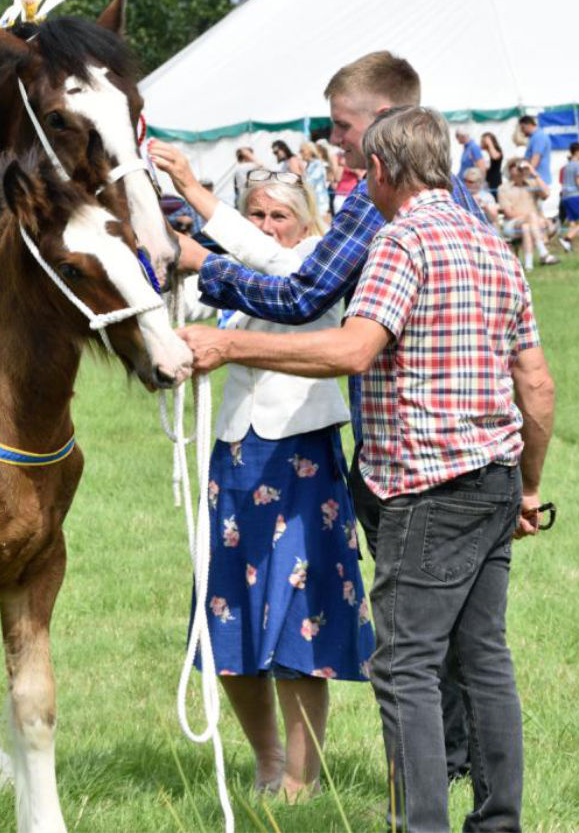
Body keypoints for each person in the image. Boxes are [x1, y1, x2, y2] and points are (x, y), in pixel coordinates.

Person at [176, 106, 555, 832]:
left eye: (361, 171)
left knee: (406, 666)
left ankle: (421, 825)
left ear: (380, 171)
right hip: (496, 478)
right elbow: (534, 382)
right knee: (484, 660)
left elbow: (353, 349)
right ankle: (499, 821)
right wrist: (530, 484)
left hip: (423, 486)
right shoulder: (494, 246)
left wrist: (230, 348)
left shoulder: (398, 241)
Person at [150, 50, 488, 785]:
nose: (335, 141)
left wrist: (200, 260)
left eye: (341, 126)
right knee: (460, 634)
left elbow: (302, 286)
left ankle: (434, 776)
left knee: (413, 635)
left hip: (409, 450)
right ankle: (458, 770)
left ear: (382, 122)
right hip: (459, 449)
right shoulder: (463, 208)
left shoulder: (377, 202)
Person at [161, 164, 375, 801]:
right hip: (234, 455)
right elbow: (180, 305)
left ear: (307, 223)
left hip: (303, 455)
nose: (265, 226)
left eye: (279, 215)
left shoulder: (314, 262)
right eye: (255, 215)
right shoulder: (237, 277)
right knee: (224, 615)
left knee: (300, 623)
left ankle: (301, 783)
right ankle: (267, 759)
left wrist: (196, 200)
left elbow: (273, 273)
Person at [499, 158, 558, 270]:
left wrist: (534, 173)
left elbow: (546, 194)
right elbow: (508, 213)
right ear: (510, 170)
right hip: (512, 224)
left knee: (526, 227)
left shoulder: (532, 184)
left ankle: (528, 265)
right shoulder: (503, 188)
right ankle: (543, 253)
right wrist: (529, 217)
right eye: (516, 167)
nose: (520, 170)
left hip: (531, 224)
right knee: (531, 218)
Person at [558, 141, 579, 247]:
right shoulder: (577, 166)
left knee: (572, 222)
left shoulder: (567, 166)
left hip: (565, 196)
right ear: (577, 152)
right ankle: (567, 238)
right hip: (574, 195)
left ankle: (568, 245)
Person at [299, 141, 330, 225]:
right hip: (311, 203)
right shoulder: (308, 165)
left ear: (309, 151)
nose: (300, 153)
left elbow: (310, 182)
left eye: (302, 151)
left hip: (319, 203)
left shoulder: (317, 164)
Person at [518, 114, 553, 190]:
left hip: (539, 181)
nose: (521, 131)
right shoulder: (534, 137)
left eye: (522, 128)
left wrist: (526, 177)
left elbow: (535, 158)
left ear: (528, 125)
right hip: (536, 180)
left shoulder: (539, 137)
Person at [481, 131, 505, 197]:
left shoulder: (497, 150)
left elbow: (494, 157)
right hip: (485, 181)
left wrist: (490, 144)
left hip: (495, 181)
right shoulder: (481, 152)